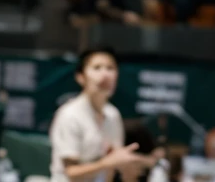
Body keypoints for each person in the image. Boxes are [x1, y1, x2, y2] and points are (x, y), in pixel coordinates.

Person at [48, 49, 145, 182]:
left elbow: (113, 164)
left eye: (110, 68)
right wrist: (107, 163)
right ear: (81, 77)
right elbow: (71, 172)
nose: (105, 74)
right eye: (97, 68)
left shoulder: (113, 115)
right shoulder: (70, 115)